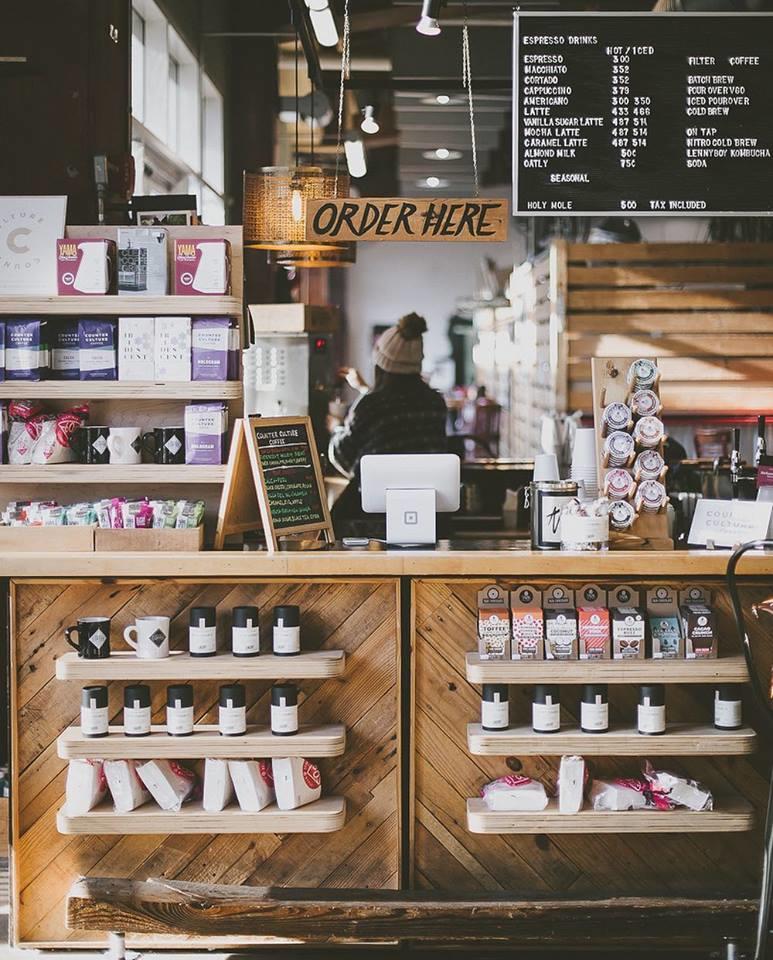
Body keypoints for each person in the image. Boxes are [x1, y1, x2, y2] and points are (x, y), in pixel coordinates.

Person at [328, 312, 448, 537]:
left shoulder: (370, 405)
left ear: (380, 363)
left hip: (375, 517)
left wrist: (335, 427)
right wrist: (365, 390)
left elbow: (342, 457)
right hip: (428, 515)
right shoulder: (435, 402)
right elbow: (398, 412)